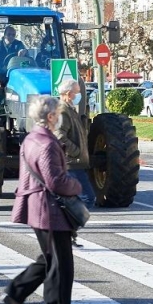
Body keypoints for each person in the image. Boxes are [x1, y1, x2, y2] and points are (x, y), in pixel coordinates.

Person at [3, 95, 83, 304]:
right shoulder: (47, 143)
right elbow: (56, 181)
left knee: (50, 258)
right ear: (50, 117)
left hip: (39, 206)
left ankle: (16, 293)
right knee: (62, 265)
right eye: (58, 113)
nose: (60, 117)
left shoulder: (31, 138)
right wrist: (76, 186)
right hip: (50, 209)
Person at [54, 79, 95, 244]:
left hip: (76, 162)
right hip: (71, 162)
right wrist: (76, 151)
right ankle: (65, 227)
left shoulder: (70, 109)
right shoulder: (63, 111)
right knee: (87, 198)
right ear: (67, 94)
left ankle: (65, 228)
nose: (78, 95)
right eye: (76, 92)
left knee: (76, 197)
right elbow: (59, 136)